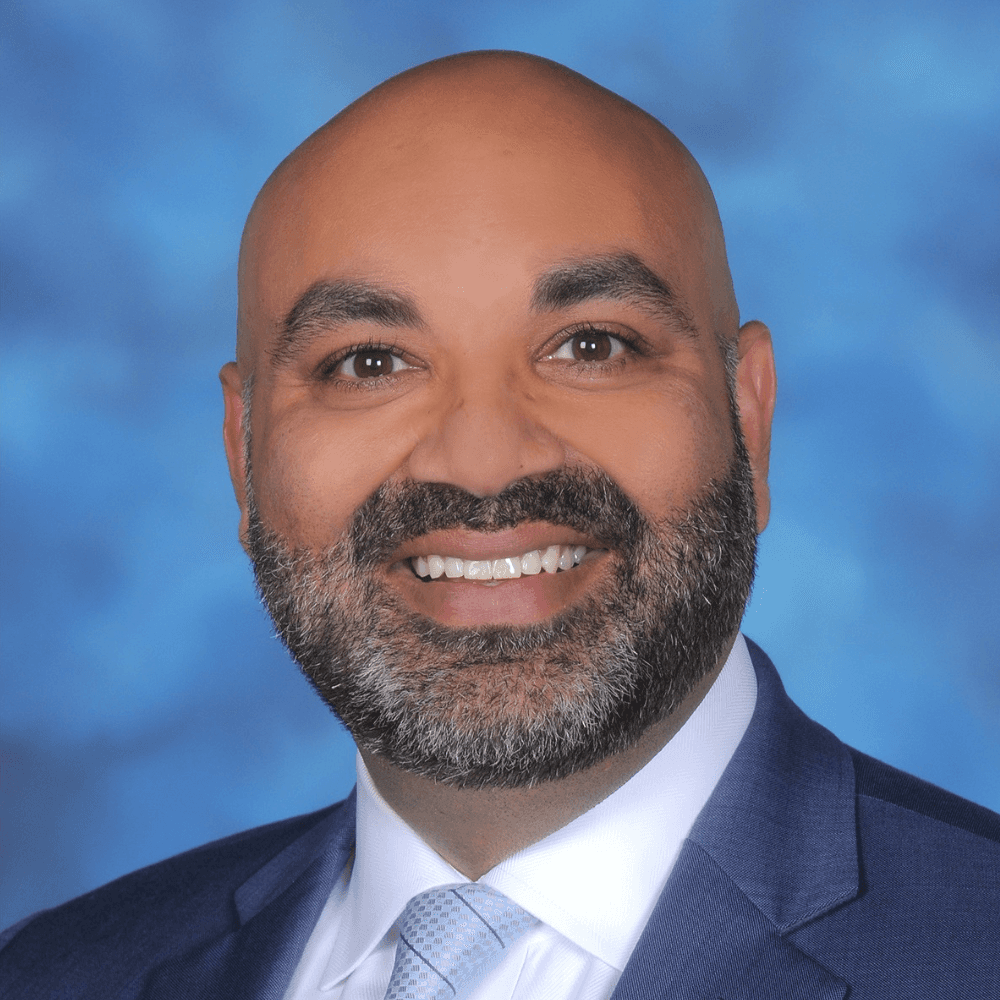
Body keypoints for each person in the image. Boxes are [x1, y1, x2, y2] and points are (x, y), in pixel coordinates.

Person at [2, 50, 997, 1000]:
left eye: (592, 346)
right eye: (368, 363)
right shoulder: (53, 974)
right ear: (242, 450)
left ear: (748, 418)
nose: (484, 462)